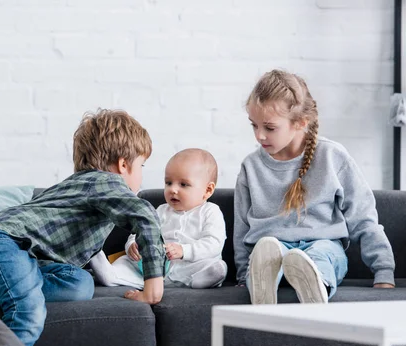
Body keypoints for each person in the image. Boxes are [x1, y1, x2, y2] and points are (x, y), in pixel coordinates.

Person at [0, 109, 167, 346]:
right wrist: (153, 286)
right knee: (27, 311)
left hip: (15, 253)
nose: (142, 174)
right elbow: (145, 216)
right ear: (123, 165)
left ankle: (1, 287)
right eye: (141, 165)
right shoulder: (105, 182)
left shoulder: (75, 188)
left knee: (79, 283)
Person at [234, 69, 395, 305]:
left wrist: (383, 271)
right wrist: (242, 273)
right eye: (254, 126)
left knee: (319, 255)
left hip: (324, 247)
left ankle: (315, 283)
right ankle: (262, 284)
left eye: (269, 128)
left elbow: (363, 217)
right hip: (270, 250)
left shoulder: (332, 156)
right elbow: (242, 227)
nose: (259, 136)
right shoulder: (251, 166)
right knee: (267, 249)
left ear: (300, 122)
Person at [90, 148, 227, 290]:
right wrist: (132, 245)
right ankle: (101, 262)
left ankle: (199, 280)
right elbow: (140, 231)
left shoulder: (210, 211)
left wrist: (184, 251)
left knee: (217, 267)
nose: (173, 189)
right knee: (123, 262)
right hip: (152, 269)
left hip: (188, 267)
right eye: (168, 183)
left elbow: (213, 244)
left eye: (183, 184)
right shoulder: (161, 210)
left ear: (208, 190)